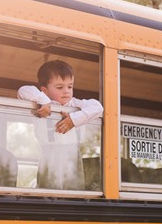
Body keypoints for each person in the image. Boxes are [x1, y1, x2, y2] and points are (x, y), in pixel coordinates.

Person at [17, 59, 103, 190]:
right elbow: (22, 90)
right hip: (49, 155)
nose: (66, 91)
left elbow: (98, 107)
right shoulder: (42, 103)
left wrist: (73, 120)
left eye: (70, 86)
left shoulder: (75, 104)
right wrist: (44, 102)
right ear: (44, 90)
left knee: (74, 191)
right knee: (48, 190)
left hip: (73, 156)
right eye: (59, 87)